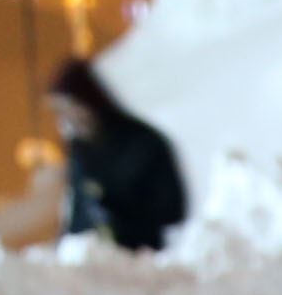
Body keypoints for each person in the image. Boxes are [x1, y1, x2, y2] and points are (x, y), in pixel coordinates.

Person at [48, 57, 187, 254]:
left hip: (140, 258)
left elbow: (173, 208)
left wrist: (121, 213)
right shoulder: (80, 150)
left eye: (70, 109)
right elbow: (78, 211)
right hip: (92, 262)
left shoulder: (144, 143)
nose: (67, 120)